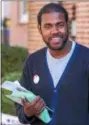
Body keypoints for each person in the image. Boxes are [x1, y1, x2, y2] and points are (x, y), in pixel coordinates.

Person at [15, 3, 89, 125]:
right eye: (48, 26)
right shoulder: (33, 62)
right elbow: (21, 110)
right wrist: (28, 112)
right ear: (40, 29)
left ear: (68, 25)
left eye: (60, 25)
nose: (54, 31)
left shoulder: (86, 59)